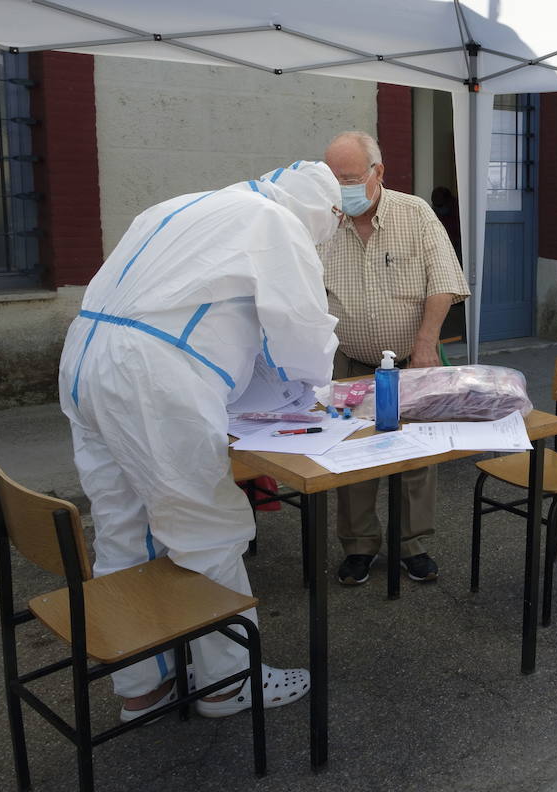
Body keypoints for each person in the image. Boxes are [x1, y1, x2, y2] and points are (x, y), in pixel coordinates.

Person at [57, 161, 340, 721]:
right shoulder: (274, 222)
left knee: (124, 527)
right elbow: (301, 333)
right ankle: (228, 683)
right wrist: (311, 389)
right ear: (321, 212)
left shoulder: (179, 205)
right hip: (152, 377)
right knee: (207, 529)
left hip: (85, 360)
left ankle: (143, 687)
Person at [322, 131, 470, 585]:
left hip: (411, 360)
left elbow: (443, 280)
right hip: (350, 361)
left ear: (378, 172)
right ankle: (359, 546)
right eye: (332, 179)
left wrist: (427, 343)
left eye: (350, 179)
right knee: (353, 454)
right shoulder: (321, 222)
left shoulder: (415, 213)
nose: (341, 189)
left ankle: (413, 545)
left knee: (416, 457)